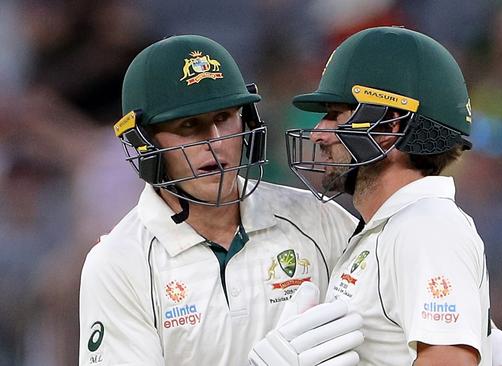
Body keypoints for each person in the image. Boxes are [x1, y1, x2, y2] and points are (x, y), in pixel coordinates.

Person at [78, 34, 363, 366]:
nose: (215, 142)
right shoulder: (120, 263)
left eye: (223, 118)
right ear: (146, 144)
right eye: (189, 126)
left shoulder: (319, 220)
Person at [286, 26, 502, 365]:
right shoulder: (396, 228)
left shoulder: (426, 229)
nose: (318, 133)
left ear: (388, 129)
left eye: (334, 115)